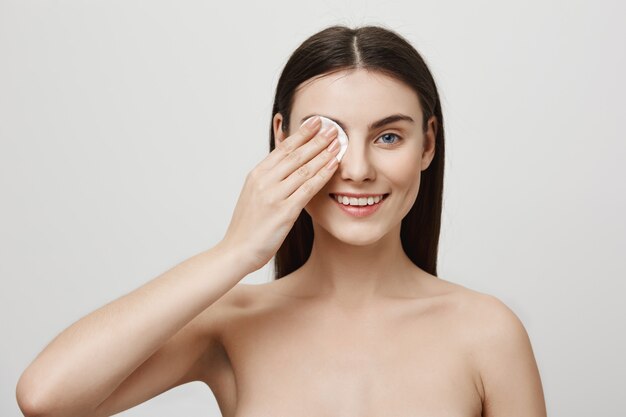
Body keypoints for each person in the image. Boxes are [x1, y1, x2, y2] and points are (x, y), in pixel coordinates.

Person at [16, 25, 547, 417]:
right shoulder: (232, 322)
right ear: (281, 137)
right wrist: (235, 252)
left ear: (427, 143)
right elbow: (45, 398)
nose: (358, 170)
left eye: (389, 136)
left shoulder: (486, 332)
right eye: (327, 137)